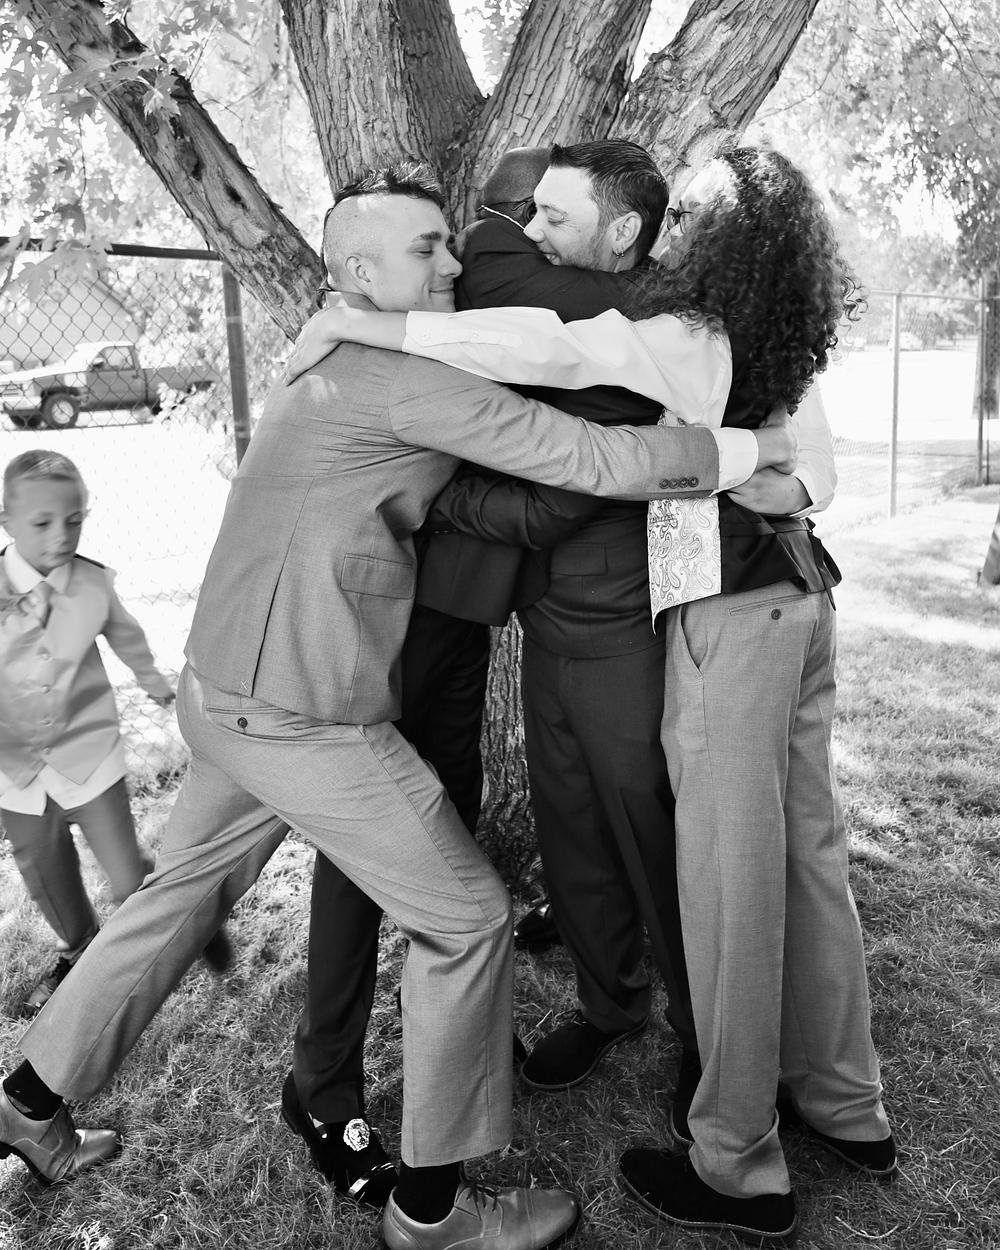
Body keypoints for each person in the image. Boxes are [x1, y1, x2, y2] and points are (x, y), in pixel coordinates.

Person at [0, 165, 793, 1250]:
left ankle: (28, 1100)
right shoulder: (397, 372)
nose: (456, 259)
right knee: (466, 919)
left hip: (226, 686)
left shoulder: (335, 358)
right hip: (298, 708)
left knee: (178, 892)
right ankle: (432, 1210)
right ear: (360, 275)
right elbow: (583, 454)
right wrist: (748, 450)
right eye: (429, 248)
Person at [286, 142, 893, 1245]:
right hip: (796, 598)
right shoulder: (761, 326)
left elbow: (538, 347)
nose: (666, 233)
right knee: (807, 859)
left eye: (685, 216)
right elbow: (810, 463)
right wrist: (767, 470)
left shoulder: (678, 330)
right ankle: (846, 1102)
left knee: (729, 880)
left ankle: (739, 1154)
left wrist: (368, 325)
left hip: (727, 612)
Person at [0, 451, 231, 1014]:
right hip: (16, 769)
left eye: (74, 520)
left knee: (127, 875)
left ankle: (187, 917)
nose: (61, 536)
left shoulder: (92, 583)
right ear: (7, 521)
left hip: (89, 755)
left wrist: (151, 678)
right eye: (42, 523)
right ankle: (79, 949)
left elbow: (124, 632)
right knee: (45, 869)